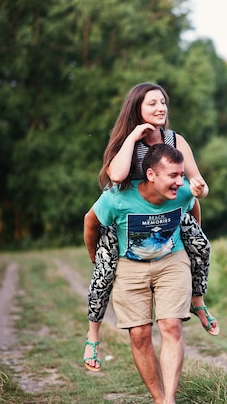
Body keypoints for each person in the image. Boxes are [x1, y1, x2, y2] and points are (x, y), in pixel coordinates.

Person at [84, 83, 218, 372]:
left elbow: (198, 186)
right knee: (104, 274)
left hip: (168, 211)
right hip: (125, 216)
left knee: (200, 247)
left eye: (163, 103)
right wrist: (134, 136)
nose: (160, 108)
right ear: (137, 109)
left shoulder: (175, 140)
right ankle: (92, 333)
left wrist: (200, 189)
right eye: (152, 103)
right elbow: (117, 175)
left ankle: (198, 300)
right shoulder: (127, 142)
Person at [84, 143, 196, 404]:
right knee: (140, 333)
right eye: (174, 176)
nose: (180, 182)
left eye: (182, 175)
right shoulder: (117, 198)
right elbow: (90, 221)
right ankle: (158, 398)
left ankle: (169, 399)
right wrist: (94, 253)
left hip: (172, 261)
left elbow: (193, 205)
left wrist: (193, 236)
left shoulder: (183, 192)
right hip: (130, 266)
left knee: (171, 326)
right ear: (151, 175)